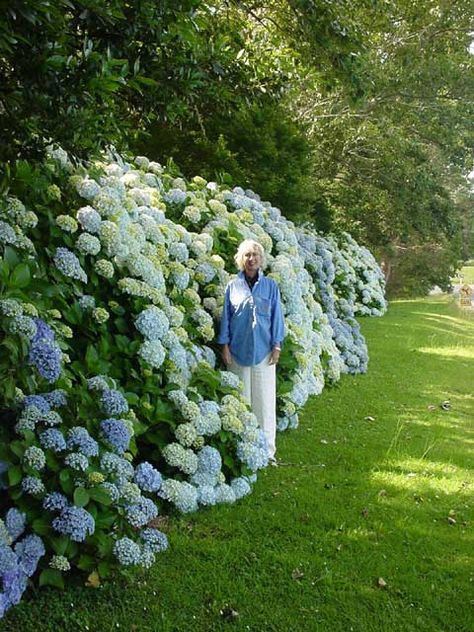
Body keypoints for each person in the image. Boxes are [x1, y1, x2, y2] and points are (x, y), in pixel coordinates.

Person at [218, 239, 285, 464]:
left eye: (255, 255)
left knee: (265, 404)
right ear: (241, 259)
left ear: (261, 259)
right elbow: (226, 319)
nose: (251, 259)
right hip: (237, 352)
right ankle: (243, 451)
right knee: (242, 403)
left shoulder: (270, 287)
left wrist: (277, 345)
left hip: (264, 352)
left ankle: (267, 453)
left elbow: (277, 318)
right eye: (247, 255)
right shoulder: (232, 286)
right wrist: (224, 346)